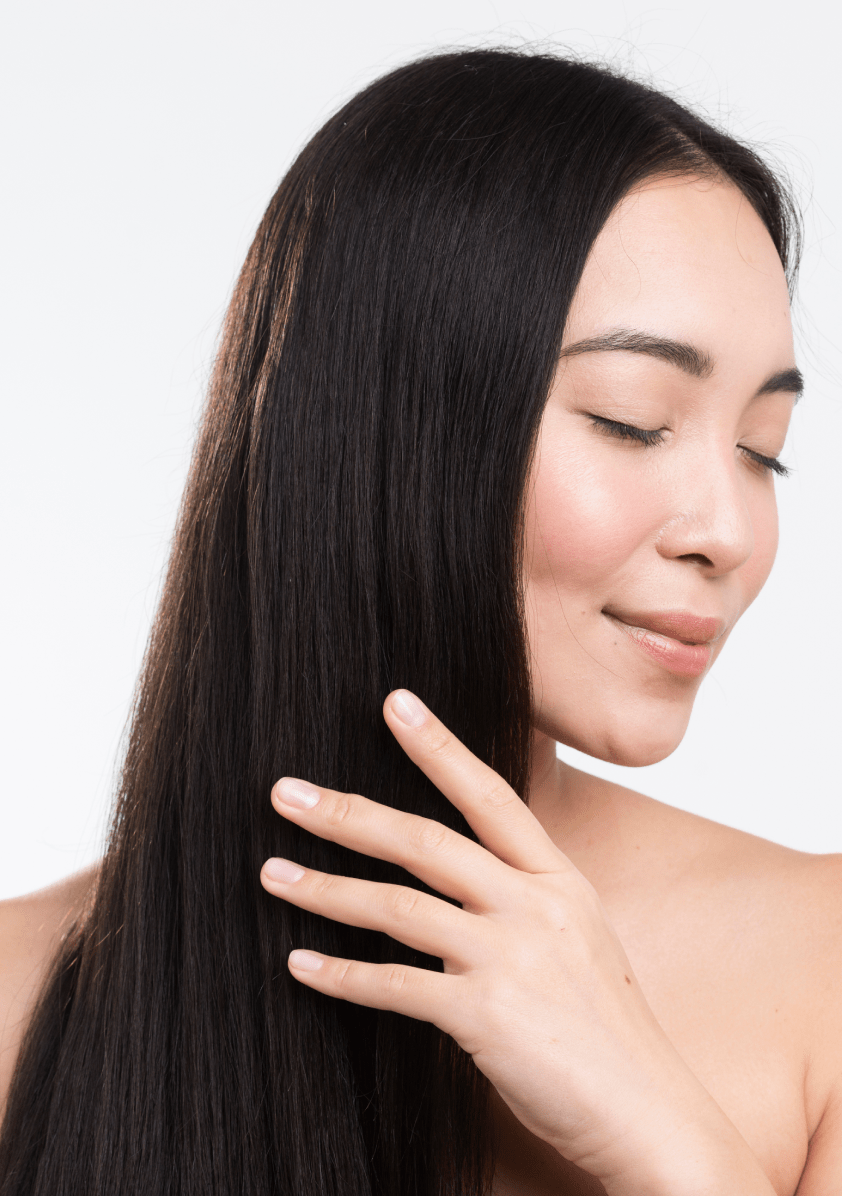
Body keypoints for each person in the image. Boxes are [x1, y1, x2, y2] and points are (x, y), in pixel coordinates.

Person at [0, 46, 838, 1196]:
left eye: (760, 450)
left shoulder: (821, 968)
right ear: (390, 427)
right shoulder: (18, 997)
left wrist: (662, 1127)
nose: (728, 530)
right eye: (632, 418)